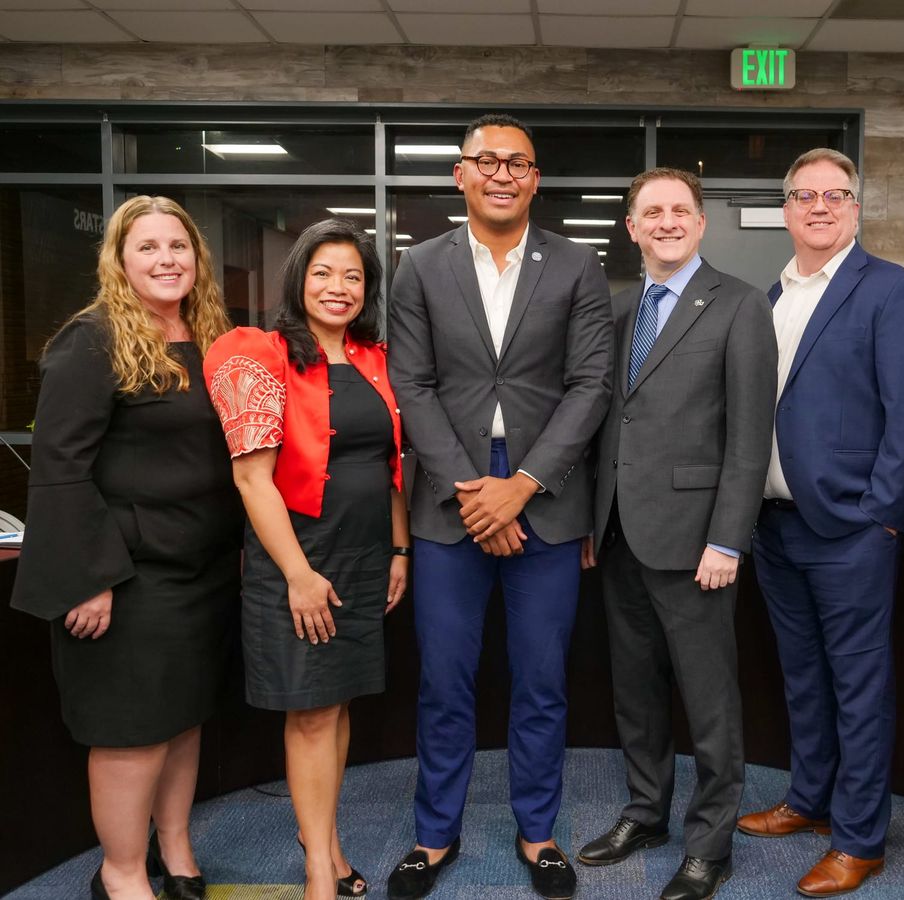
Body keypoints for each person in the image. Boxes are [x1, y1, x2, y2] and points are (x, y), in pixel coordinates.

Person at [386, 113, 612, 900]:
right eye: (487, 161)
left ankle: (538, 832)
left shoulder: (578, 265)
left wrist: (525, 483)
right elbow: (410, 386)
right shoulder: (417, 267)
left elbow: (591, 385)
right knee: (444, 680)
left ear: (536, 178)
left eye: (518, 162)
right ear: (461, 175)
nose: (502, 173)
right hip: (449, 495)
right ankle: (433, 836)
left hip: (545, 496)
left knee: (542, 680)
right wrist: (471, 488)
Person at [11, 195, 242, 900]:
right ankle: (120, 872)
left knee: (182, 718)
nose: (167, 259)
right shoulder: (92, 339)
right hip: (129, 575)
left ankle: (174, 850)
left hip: (201, 571)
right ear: (118, 259)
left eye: (179, 246)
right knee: (132, 732)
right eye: (148, 247)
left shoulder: (206, 334)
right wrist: (88, 576)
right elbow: (60, 468)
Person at [736, 148, 904, 897]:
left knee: (858, 685)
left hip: (851, 528)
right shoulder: (771, 296)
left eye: (835, 195)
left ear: (856, 208)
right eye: (804, 195)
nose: (819, 206)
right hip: (777, 526)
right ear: (787, 210)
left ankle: (861, 839)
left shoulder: (893, 291)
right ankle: (809, 802)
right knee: (802, 678)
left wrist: (883, 515)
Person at [576, 167, 776, 900]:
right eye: (650, 212)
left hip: (697, 543)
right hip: (622, 533)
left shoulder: (740, 305)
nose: (666, 221)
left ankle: (709, 844)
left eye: (679, 210)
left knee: (710, 699)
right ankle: (645, 812)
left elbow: (751, 437)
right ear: (631, 227)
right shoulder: (618, 310)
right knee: (635, 691)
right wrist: (596, 521)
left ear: (700, 223)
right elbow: (609, 424)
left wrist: (728, 539)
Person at [204, 219, 409, 900]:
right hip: (297, 558)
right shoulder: (258, 353)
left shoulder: (375, 357)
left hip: (363, 555)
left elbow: (390, 465)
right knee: (313, 713)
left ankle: (322, 838)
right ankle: (320, 865)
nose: (338, 286)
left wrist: (399, 548)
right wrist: (297, 574)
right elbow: (251, 480)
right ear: (297, 278)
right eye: (323, 272)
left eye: (353, 275)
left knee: (338, 704)